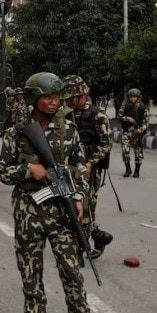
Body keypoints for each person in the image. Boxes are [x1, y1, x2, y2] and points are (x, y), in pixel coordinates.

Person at [0, 72, 93, 313]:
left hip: (62, 211)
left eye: (56, 97)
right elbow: (3, 172)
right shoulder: (16, 133)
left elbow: (81, 170)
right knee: (30, 269)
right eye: (47, 97)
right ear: (33, 98)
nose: (53, 102)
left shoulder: (69, 131)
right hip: (29, 210)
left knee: (71, 270)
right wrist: (29, 170)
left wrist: (79, 198)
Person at [63, 75, 114, 259]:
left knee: (86, 207)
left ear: (82, 95)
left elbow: (106, 145)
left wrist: (90, 163)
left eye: (71, 98)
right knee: (72, 206)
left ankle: (80, 247)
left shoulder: (97, 115)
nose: (67, 101)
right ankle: (98, 237)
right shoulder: (66, 114)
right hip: (70, 168)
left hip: (90, 168)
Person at [120, 87, 148, 178]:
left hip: (137, 132)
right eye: (131, 97)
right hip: (127, 132)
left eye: (134, 97)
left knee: (138, 153)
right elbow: (120, 116)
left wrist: (141, 129)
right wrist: (127, 118)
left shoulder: (143, 107)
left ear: (138, 97)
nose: (132, 98)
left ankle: (137, 171)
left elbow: (146, 122)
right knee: (125, 151)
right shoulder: (125, 106)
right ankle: (128, 169)